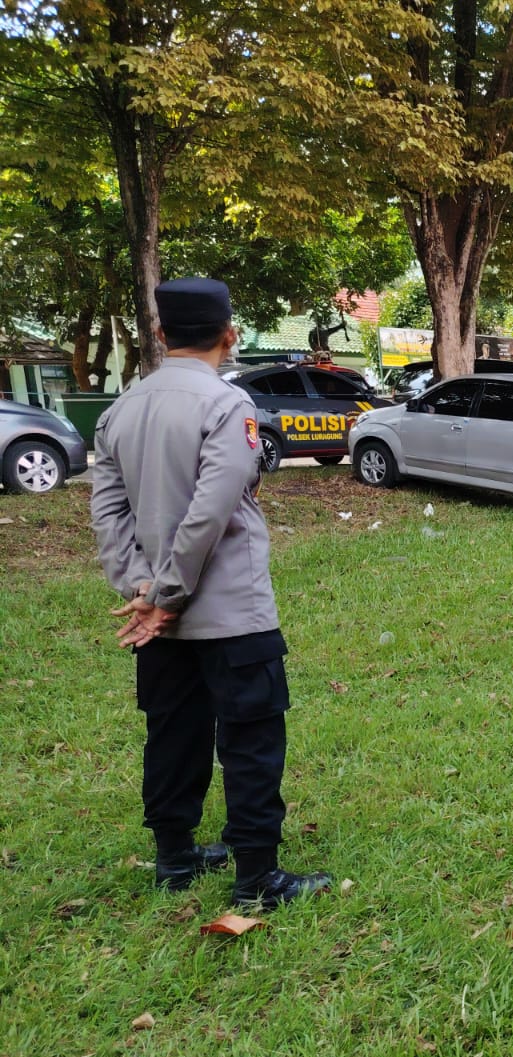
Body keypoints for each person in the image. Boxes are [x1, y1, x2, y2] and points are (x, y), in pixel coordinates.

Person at [89, 277, 331, 910]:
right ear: (230, 334)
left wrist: (141, 586)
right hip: (230, 611)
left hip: (158, 617)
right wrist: (167, 593)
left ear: (160, 333)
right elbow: (211, 510)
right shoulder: (228, 406)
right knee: (251, 739)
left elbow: (107, 512)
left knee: (173, 732)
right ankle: (257, 878)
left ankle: (175, 858)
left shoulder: (121, 410)